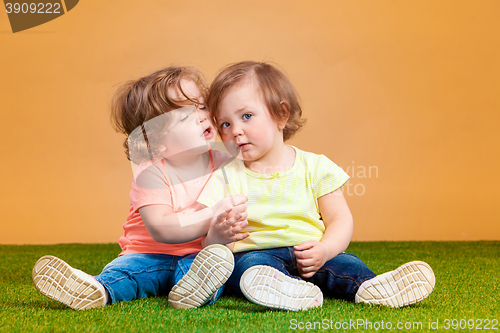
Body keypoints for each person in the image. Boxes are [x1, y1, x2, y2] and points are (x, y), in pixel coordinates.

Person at [197, 61, 436, 311]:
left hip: (311, 251)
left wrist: (325, 249)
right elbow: (206, 239)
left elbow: (340, 220)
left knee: (346, 263)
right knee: (245, 267)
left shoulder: (316, 166)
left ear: (281, 114)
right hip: (258, 255)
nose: (235, 131)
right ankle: (286, 290)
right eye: (225, 124)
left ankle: (372, 287)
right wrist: (216, 235)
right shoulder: (225, 177)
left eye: (247, 116)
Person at [32, 66, 249, 310]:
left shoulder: (225, 163)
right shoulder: (151, 171)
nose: (201, 116)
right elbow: (161, 228)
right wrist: (213, 215)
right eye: (185, 115)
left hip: (197, 255)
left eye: (201, 105)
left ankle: (191, 291)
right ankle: (97, 289)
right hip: (146, 254)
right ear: (153, 141)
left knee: (213, 268)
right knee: (127, 273)